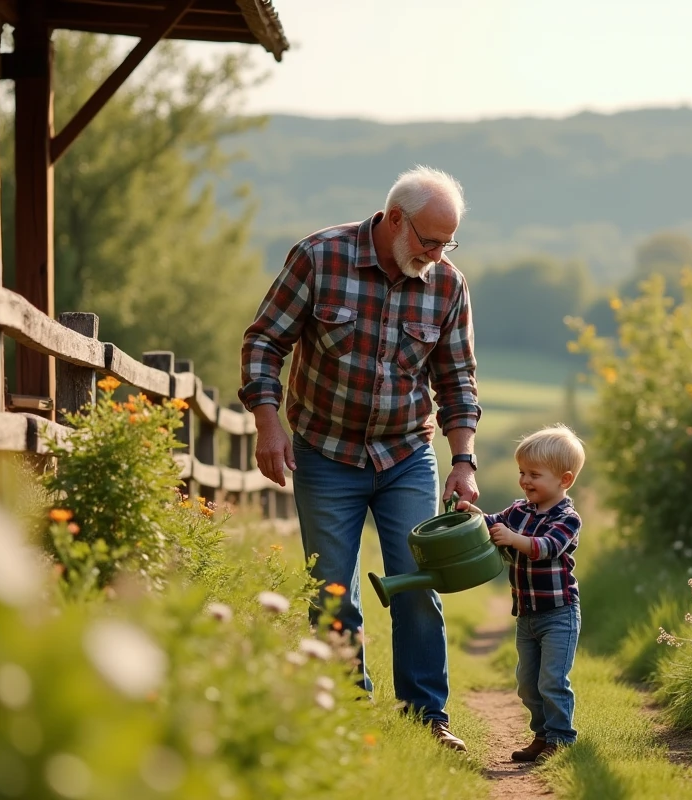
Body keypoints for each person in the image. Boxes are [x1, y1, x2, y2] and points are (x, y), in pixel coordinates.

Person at [239, 165, 481, 752]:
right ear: (395, 218)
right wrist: (267, 422)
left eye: (448, 242)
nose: (437, 252)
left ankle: (428, 717)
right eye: (429, 239)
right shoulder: (320, 258)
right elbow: (265, 341)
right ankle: (345, 712)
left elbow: (457, 379)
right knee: (330, 588)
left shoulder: (447, 285)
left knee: (417, 582)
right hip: (324, 452)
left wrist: (464, 460)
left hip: (404, 454)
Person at [457, 424, 585, 764]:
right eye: (522, 473)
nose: (525, 481)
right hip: (527, 615)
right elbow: (493, 523)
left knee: (552, 681)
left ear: (565, 480)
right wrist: (474, 516)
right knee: (527, 683)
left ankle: (561, 738)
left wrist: (514, 540)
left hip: (559, 613)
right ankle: (542, 736)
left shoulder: (568, 519)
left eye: (535, 474)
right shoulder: (519, 510)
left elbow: (547, 548)